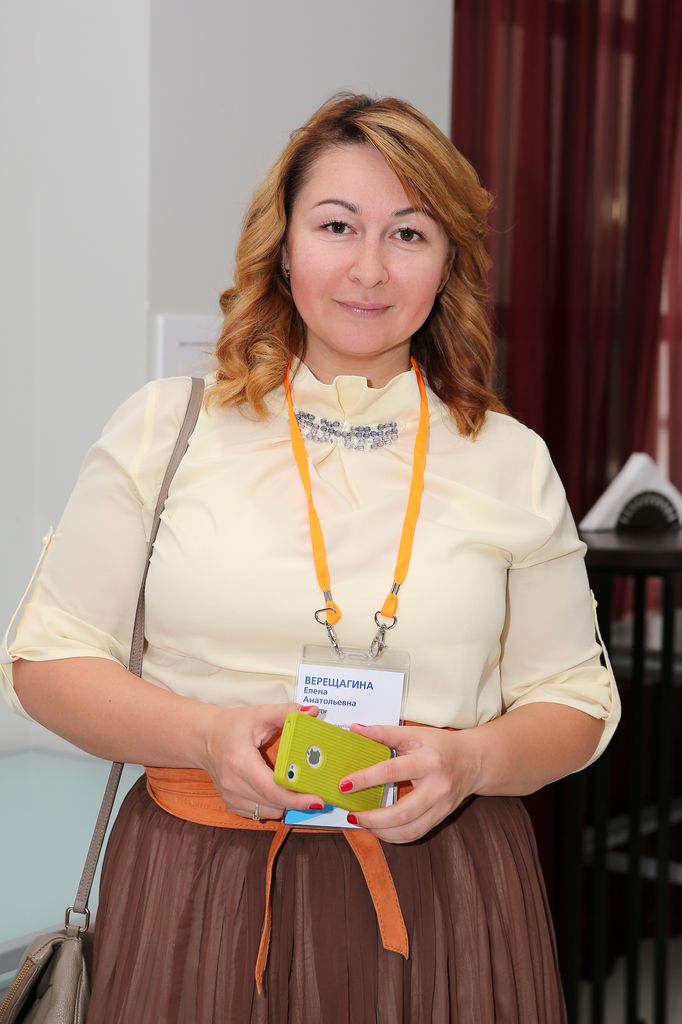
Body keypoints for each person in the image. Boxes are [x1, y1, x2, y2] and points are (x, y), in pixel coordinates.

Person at [2, 92, 619, 1023]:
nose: (369, 268)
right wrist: (203, 738)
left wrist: (473, 760)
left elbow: (574, 699)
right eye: (337, 226)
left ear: (448, 262)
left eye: (409, 234)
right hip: (197, 886)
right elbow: (47, 662)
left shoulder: (508, 457)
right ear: (283, 246)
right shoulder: (168, 426)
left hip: (446, 888)